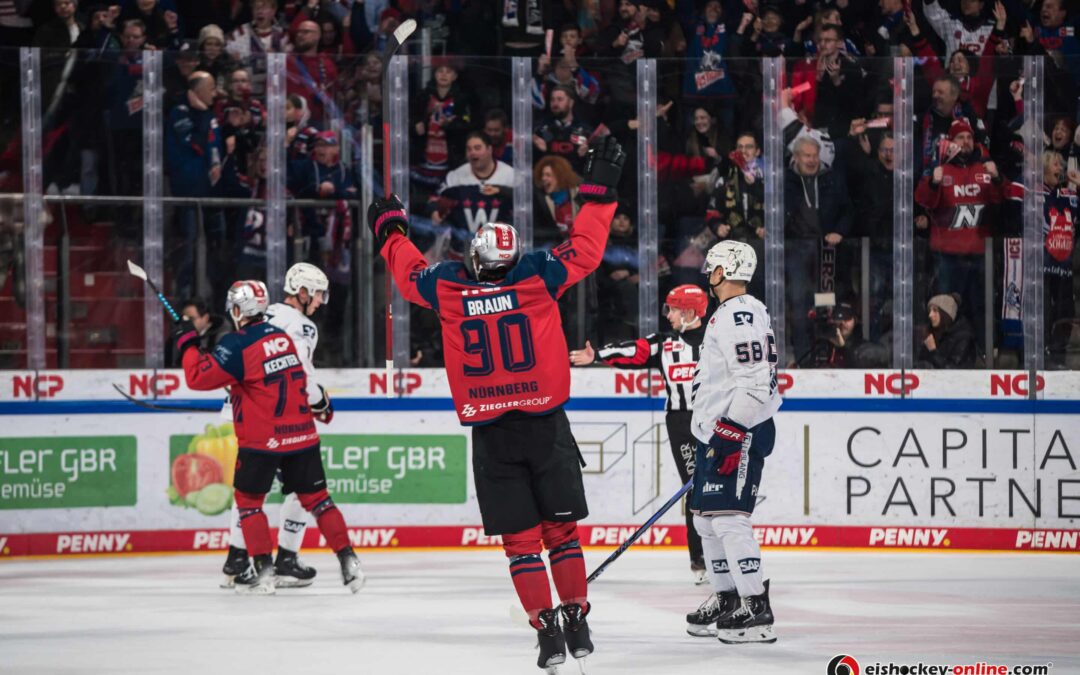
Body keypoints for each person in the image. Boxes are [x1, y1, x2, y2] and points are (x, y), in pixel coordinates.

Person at [368, 136, 626, 671]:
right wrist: (598, 191)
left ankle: (546, 632)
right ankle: (577, 619)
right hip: (545, 425)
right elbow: (585, 249)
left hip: (493, 434)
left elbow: (409, 272)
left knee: (522, 544)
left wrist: (390, 228)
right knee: (562, 535)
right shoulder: (535, 276)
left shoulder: (449, 287)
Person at [175, 279, 362, 595]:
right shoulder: (284, 338)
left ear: (237, 310)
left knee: (248, 503)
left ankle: (263, 571)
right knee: (318, 500)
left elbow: (197, 377)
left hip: (262, 439)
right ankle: (348, 560)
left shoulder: (236, 343)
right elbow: (293, 380)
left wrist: (188, 344)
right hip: (301, 434)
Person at [569, 284, 711, 584]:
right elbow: (635, 349)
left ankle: (722, 555)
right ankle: (701, 561)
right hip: (682, 424)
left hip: (714, 422)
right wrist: (599, 355)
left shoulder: (716, 341)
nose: (668, 315)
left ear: (688, 312)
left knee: (717, 490)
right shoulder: (665, 343)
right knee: (696, 489)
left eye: (672, 309)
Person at [684, 240, 780, 644]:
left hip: (738, 431)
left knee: (728, 517)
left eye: (712, 267)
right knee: (704, 518)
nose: (708, 273)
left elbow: (757, 380)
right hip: (720, 430)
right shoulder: (733, 313)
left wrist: (731, 429)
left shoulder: (739, 313)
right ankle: (727, 597)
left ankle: (755, 605)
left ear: (725, 270)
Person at [220, 264, 336, 588]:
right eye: (317, 294)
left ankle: (237, 558)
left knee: (250, 487)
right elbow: (300, 374)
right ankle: (284, 558)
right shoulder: (302, 326)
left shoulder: (263, 312)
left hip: (244, 409)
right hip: (276, 416)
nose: (320, 302)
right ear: (302, 291)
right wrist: (320, 402)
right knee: (303, 485)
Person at [918, 294, 977, 368]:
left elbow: (953, 370)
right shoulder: (932, 334)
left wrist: (933, 351)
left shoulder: (964, 337)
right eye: (930, 311)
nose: (930, 315)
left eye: (935, 310)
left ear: (945, 314)